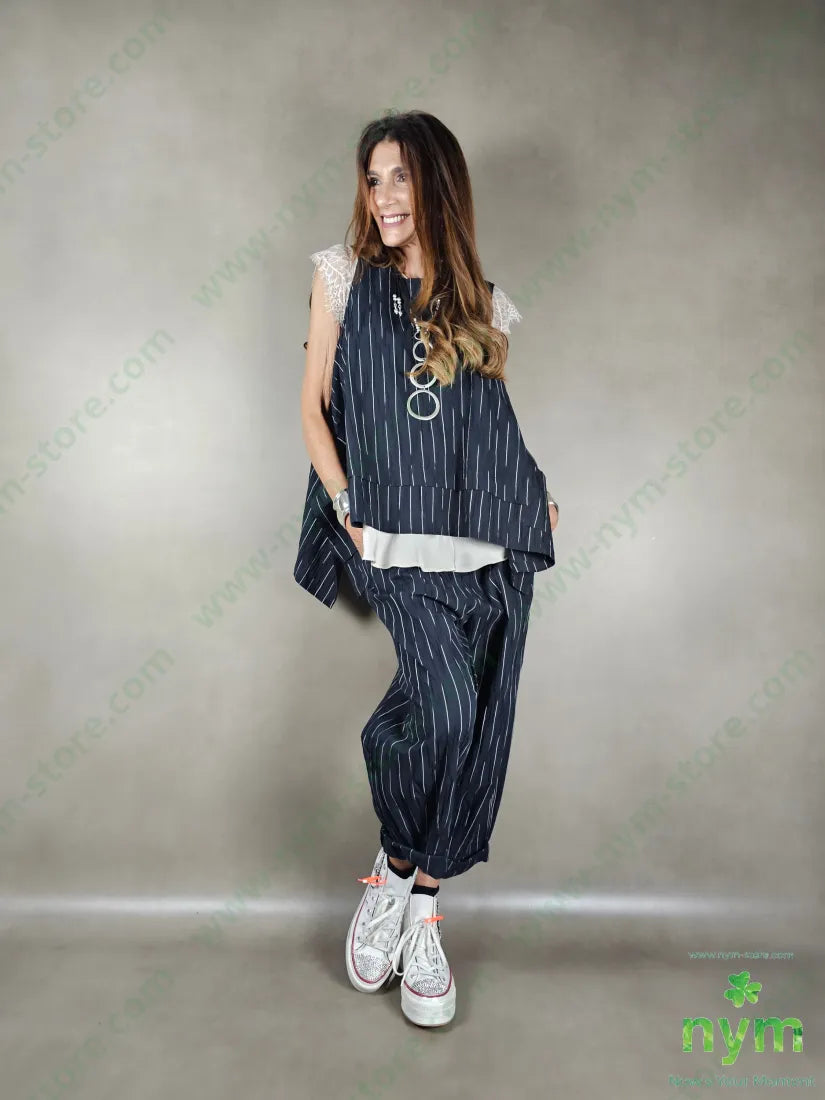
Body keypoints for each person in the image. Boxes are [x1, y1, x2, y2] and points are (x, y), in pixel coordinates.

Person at [294, 110, 559, 1028]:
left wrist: (535, 497)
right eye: (373, 179)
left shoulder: (485, 304)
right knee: (439, 709)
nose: (384, 196)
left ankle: (417, 905)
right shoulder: (340, 276)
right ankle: (396, 868)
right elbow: (312, 408)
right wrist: (345, 505)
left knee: (477, 723)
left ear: (436, 185)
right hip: (388, 536)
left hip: (477, 542)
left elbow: (489, 432)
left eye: (400, 176)